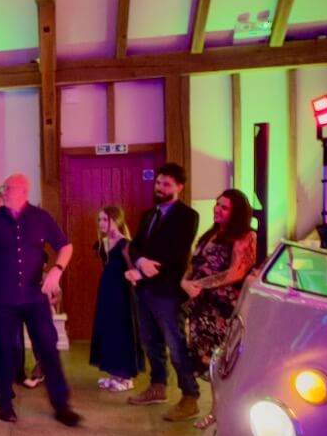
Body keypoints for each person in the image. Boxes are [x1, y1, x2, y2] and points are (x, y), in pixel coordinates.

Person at [0, 174, 80, 426]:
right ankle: (5, 403)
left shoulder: (41, 217)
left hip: (35, 297)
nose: (3, 191)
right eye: (3, 188)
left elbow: (65, 246)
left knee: (47, 346)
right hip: (0, 298)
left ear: (23, 191)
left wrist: (56, 271)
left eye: (8, 188)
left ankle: (61, 405)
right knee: (4, 352)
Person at [126, 163, 203, 422]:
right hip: (145, 290)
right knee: (150, 341)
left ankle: (190, 397)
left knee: (175, 343)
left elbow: (176, 254)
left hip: (168, 291)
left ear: (180, 187)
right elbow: (134, 246)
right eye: (158, 183)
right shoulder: (149, 215)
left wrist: (147, 268)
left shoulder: (187, 216)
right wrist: (138, 264)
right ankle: (158, 386)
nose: (160, 188)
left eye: (166, 184)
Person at [181, 189, 258, 380]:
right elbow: (194, 262)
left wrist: (199, 284)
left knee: (223, 366)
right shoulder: (211, 233)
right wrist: (184, 282)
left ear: (237, 213)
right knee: (201, 364)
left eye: (224, 207)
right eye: (217, 204)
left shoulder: (246, 236)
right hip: (200, 306)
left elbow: (236, 272)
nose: (217, 209)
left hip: (222, 310)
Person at [90, 206, 142, 393]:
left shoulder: (125, 243)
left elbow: (132, 267)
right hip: (107, 291)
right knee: (109, 329)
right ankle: (114, 373)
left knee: (122, 331)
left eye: (106, 219)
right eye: (100, 220)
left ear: (117, 220)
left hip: (122, 292)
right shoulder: (103, 243)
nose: (102, 223)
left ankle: (126, 377)